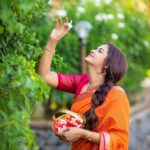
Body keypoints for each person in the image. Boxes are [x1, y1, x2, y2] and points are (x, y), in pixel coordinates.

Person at [38, 17, 130, 150]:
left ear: (106, 66)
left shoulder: (116, 95)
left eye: (99, 51)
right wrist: (53, 41)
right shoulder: (82, 82)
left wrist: (82, 134)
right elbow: (44, 76)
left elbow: (120, 141)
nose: (93, 50)